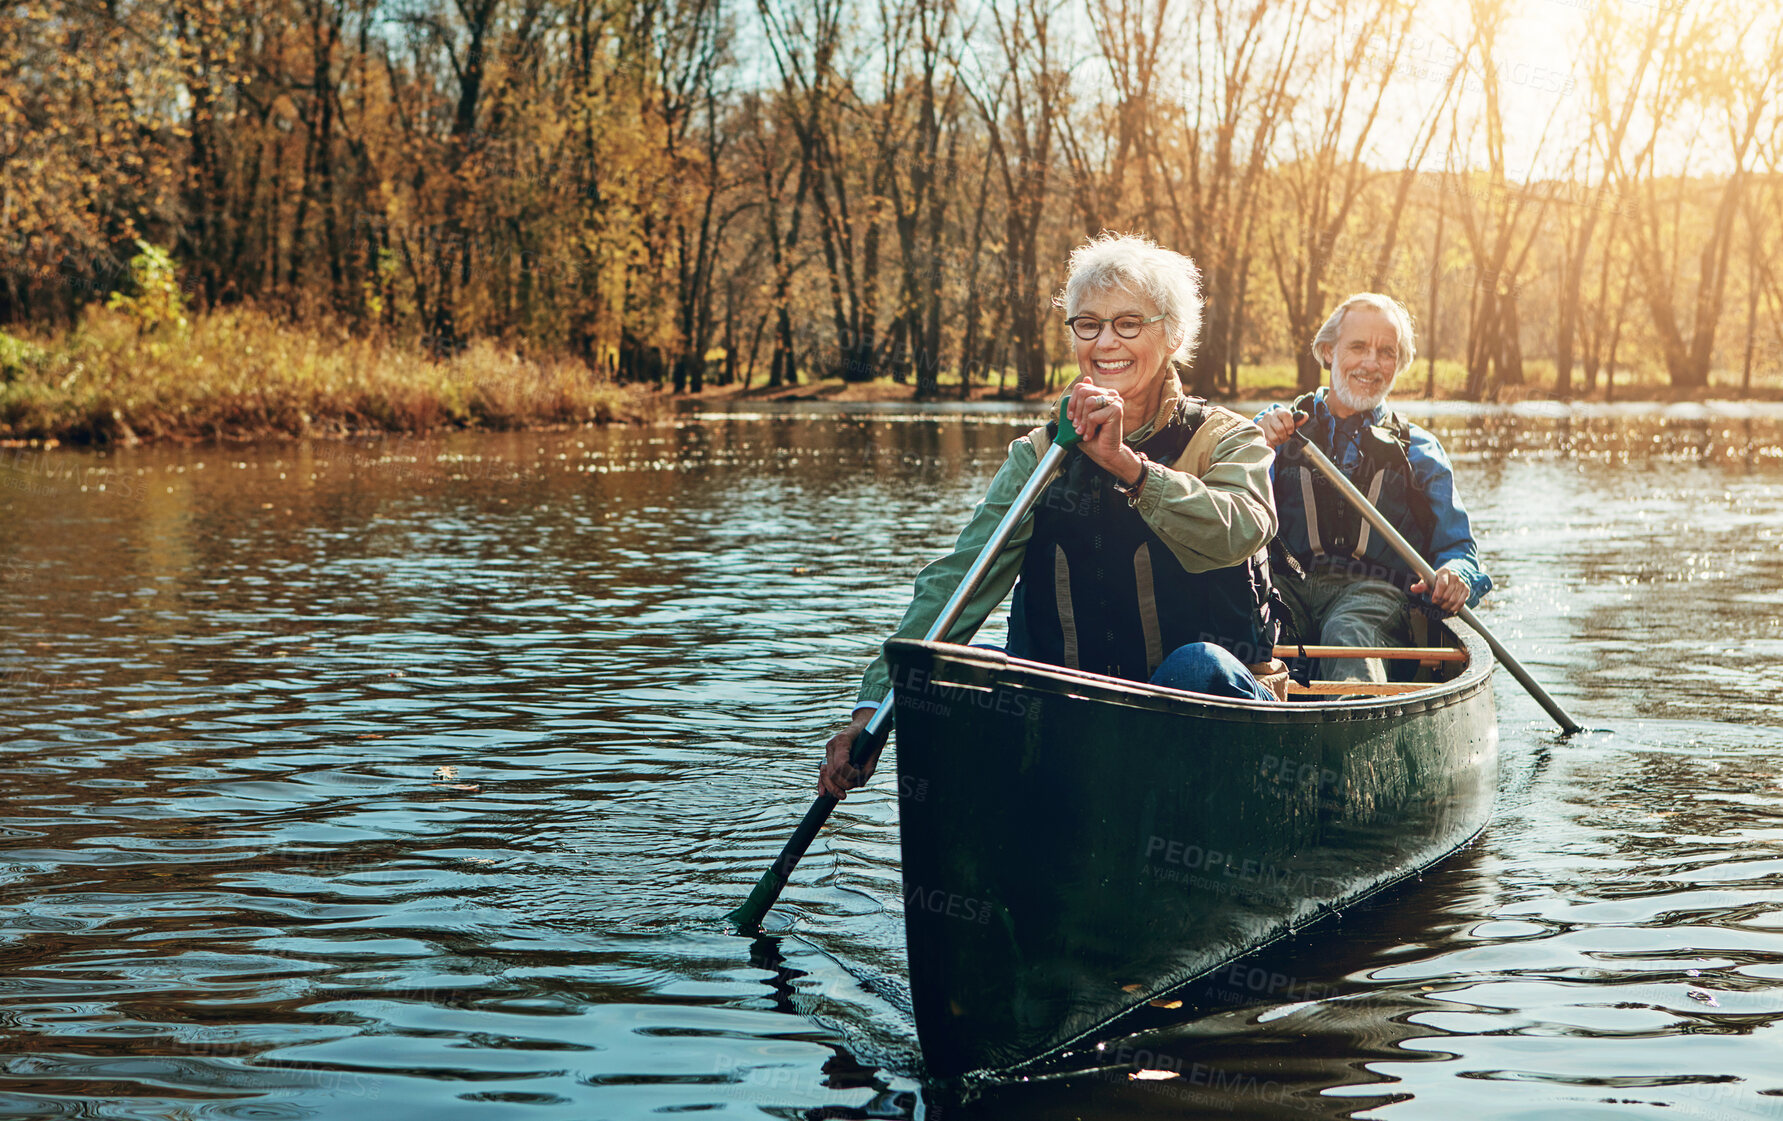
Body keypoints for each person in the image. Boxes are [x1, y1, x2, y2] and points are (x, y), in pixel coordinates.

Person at [820, 232, 1284, 800]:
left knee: (1196, 665)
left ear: (1174, 336)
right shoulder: (1038, 456)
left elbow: (1239, 529)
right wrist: (872, 710)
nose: (1105, 342)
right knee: (958, 676)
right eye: (1087, 324)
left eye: (1128, 324)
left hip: (1208, 706)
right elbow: (960, 582)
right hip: (1078, 719)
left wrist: (1128, 466)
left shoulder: (1229, 438)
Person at [1254, 292, 1491, 684]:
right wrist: (1257, 443)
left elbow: (1460, 550)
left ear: (1399, 364)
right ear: (1328, 352)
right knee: (1246, 625)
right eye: (1358, 347)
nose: (1371, 363)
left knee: (1347, 632)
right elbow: (1232, 509)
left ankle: (1355, 724)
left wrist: (1455, 574)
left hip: (1374, 594)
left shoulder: (1421, 450)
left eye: (1387, 352)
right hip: (1286, 588)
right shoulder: (1276, 429)